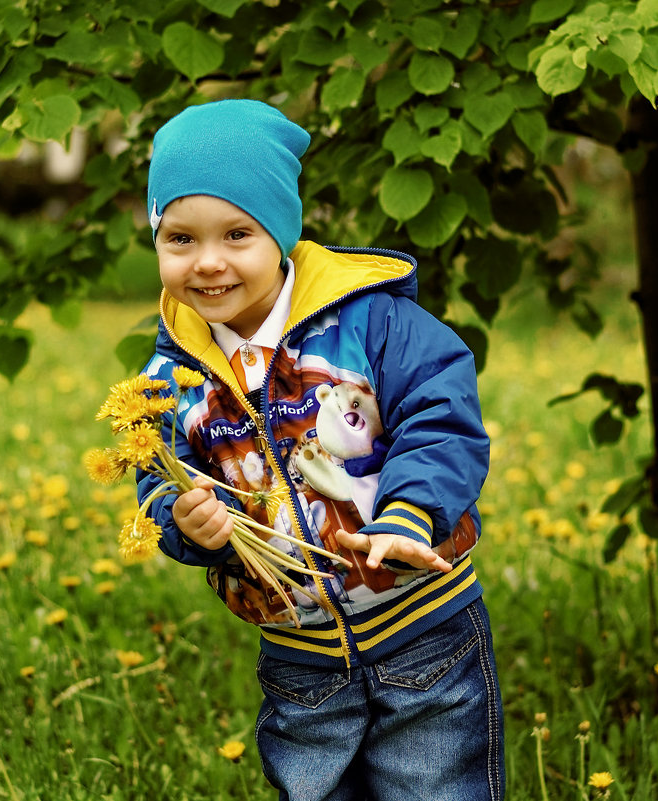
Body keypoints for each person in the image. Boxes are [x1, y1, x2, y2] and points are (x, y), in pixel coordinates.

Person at [135, 98, 503, 801]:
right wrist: (187, 525)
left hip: (422, 631)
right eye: (179, 238)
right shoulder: (170, 377)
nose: (207, 262)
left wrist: (408, 515)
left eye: (237, 233)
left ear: (280, 230)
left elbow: (442, 417)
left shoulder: (371, 322)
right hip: (298, 657)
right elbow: (157, 479)